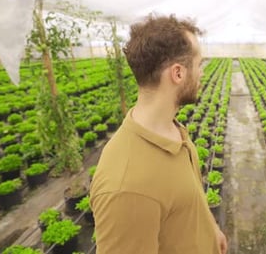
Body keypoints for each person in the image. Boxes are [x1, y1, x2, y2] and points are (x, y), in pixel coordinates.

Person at [90, 15, 227, 254]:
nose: (202, 73)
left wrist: (211, 229)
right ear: (178, 73)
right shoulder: (126, 188)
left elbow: (188, 195)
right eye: (199, 64)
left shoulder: (172, 131)